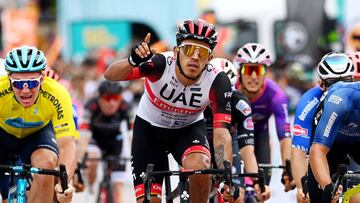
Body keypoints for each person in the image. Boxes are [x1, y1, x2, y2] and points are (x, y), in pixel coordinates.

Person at [105, 19, 234, 203]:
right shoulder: (159, 65)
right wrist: (132, 60)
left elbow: (222, 134)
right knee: (150, 200)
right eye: (189, 49)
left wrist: (226, 177)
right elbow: (110, 74)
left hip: (188, 130)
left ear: (210, 59)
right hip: (149, 130)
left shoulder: (217, 81)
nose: (195, 57)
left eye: (202, 52)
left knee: (202, 167)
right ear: (176, 51)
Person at [0, 46, 76, 203]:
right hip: (3, 136)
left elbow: (66, 144)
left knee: (46, 166)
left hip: (37, 136)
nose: (26, 90)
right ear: (8, 79)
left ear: (42, 79)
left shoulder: (57, 93)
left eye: (32, 83)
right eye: (18, 84)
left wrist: (65, 183)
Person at [291, 52, 355, 203]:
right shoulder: (310, 101)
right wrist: (301, 189)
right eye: (334, 83)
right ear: (321, 84)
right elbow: (299, 148)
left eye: (345, 82)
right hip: (325, 150)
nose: (340, 89)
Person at [206, 58, 271, 203]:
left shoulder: (240, 103)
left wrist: (257, 183)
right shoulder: (196, 98)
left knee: (236, 195)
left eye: (226, 92)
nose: (220, 97)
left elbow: (247, 149)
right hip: (200, 139)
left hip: (230, 140)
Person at [233, 43, 293, 190]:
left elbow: (285, 136)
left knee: (262, 188)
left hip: (260, 136)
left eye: (258, 70)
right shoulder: (230, 89)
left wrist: (288, 169)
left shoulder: (276, 95)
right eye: (248, 69)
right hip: (234, 136)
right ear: (239, 71)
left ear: (266, 72)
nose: (253, 77)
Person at [79, 80, 132, 201]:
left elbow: (132, 136)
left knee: (118, 185)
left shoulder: (126, 107)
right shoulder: (90, 106)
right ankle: (91, 188)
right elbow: (83, 137)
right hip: (95, 140)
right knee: (93, 157)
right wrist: (80, 159)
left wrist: (137, 157)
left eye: (116, 98)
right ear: (100, 98)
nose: (112, 103)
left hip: (115, 143)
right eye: (107, 98)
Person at [308, 81, 360, 203]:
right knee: (323, 196)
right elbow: (318, 150)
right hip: (332, 141)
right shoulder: (341, 100)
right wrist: (327, 186)